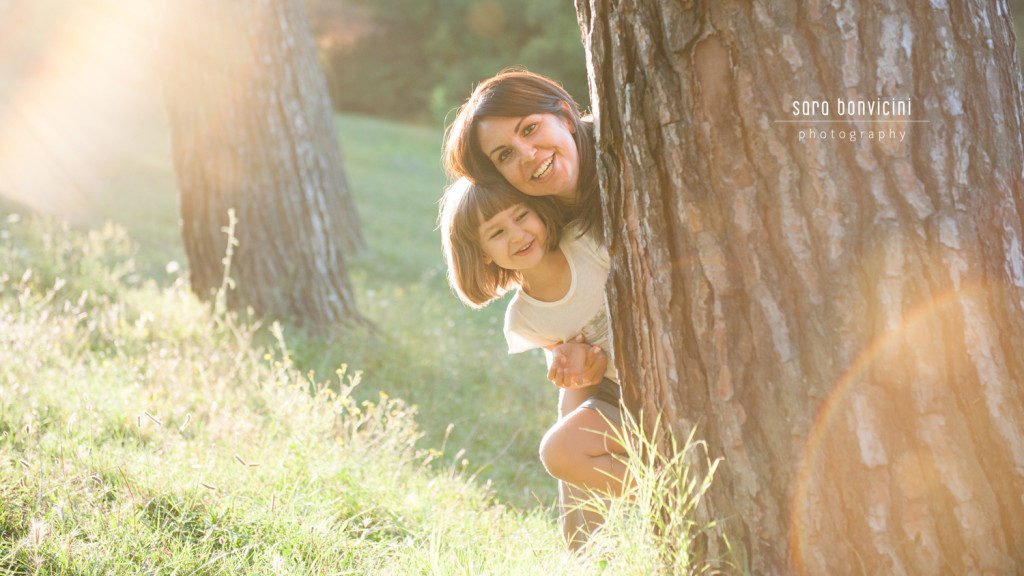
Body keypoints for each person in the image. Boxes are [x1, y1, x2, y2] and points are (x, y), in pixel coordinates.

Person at [439, 176, 628, 549]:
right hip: (625, 398)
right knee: (560, 436)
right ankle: (592, 545)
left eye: (522, 215)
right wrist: (568, 360)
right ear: (483, 254)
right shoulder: (525, 319)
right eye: (496, 232)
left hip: (669, 383)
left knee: (567, 410)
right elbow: (581, 370)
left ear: (541, 212)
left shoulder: (585, 243)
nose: (517, 234)